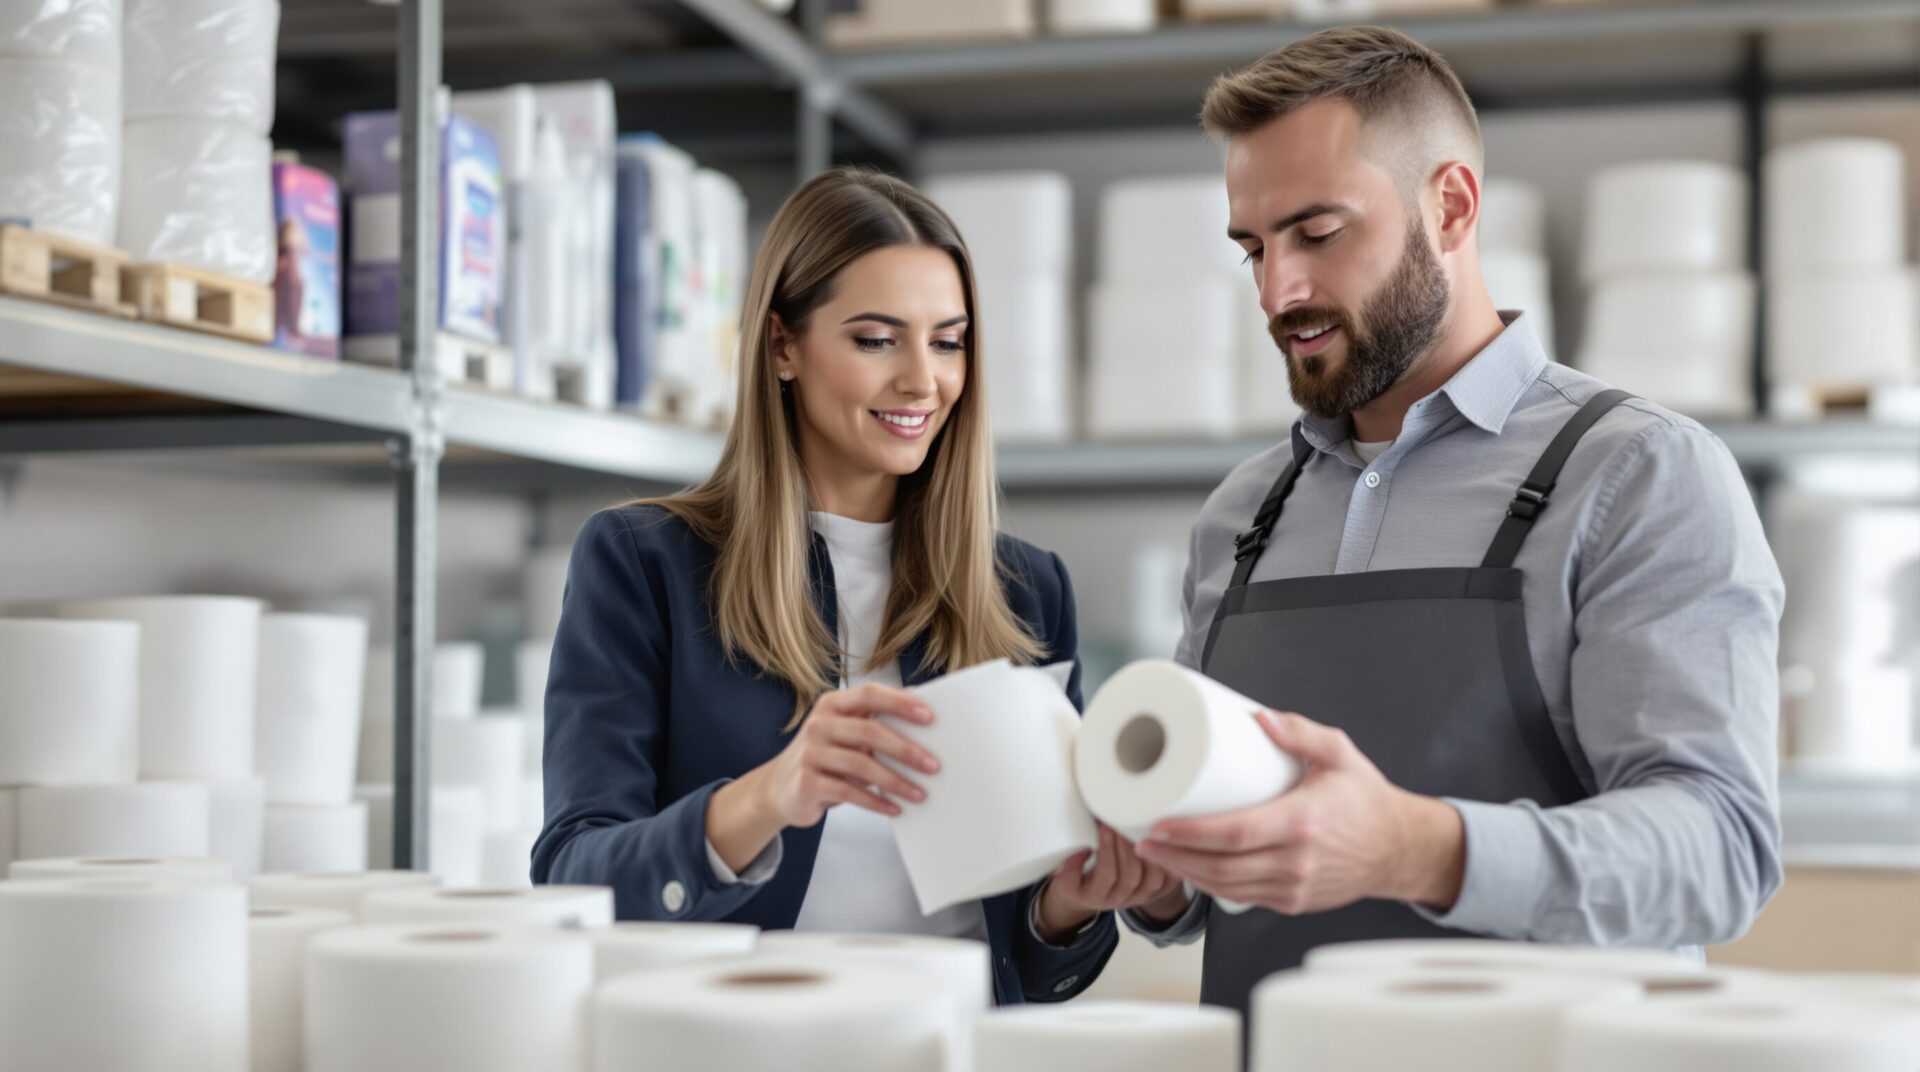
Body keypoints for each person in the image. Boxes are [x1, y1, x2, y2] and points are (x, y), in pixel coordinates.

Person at [1120, 26, 1786, 1017]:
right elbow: (1210, 874)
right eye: (1253, 247)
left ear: (1452, 205)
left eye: (1316, 232)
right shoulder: (1242, 516)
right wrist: (1159, 876)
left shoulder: (1636, 472)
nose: (1277, 290)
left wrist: (1416, 848)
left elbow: (1719, 847)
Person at [533, 167, 1172, 1003]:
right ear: (781, 346)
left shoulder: (1024, 591)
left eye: (948, 341)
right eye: (877, 340)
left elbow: (1031, 958)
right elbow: (573, 875)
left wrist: (1069, 908)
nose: (923, 379)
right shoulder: (645, 562)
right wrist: (770, 796)